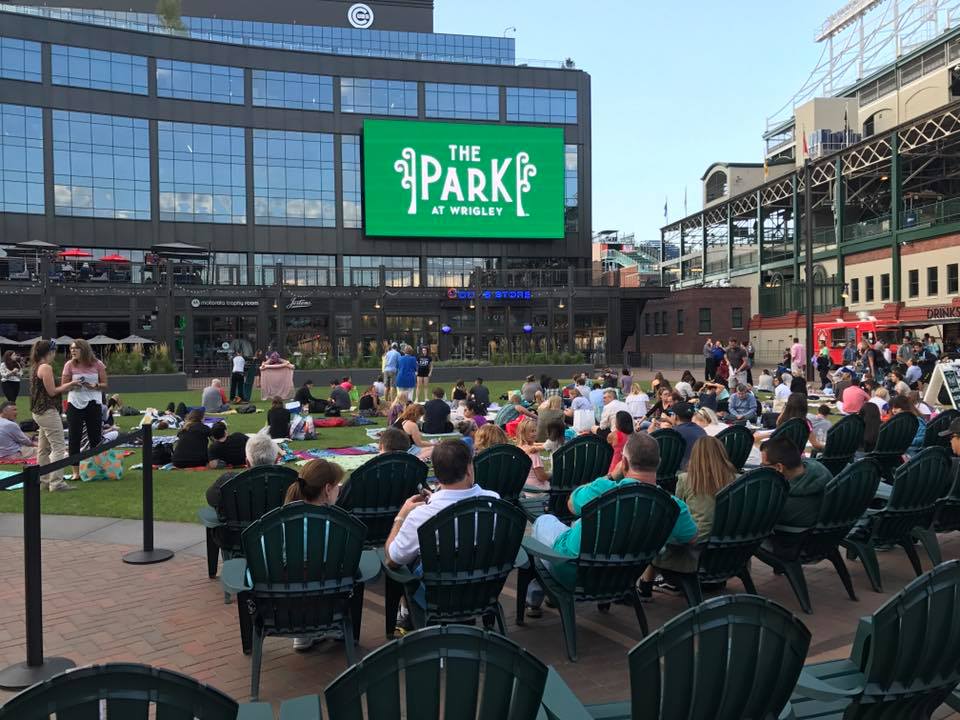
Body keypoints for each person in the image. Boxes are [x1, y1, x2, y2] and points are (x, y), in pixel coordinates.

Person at [524, 433, 698, 614]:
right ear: (658, 462)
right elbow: (692, 538)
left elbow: (571, 505)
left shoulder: (603, 490)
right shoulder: (673, 506)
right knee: (581, 525)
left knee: (544, 521)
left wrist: (610, 476)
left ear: (624, 463)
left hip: (573, 572)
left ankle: (538, 598)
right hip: (625, 577)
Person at [385, 440, 498, 576]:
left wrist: (401, 516)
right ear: (469, 469)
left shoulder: (421, 515)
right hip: (483, 583)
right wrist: (435, 499)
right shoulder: (494, 501)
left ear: (437, 474)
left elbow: (393, 559)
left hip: (436, 592)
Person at [649, 436, 736, 586]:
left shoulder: (685, 479)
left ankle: (645, 584)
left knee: (654, 534)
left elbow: (677, 517)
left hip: (692, 548)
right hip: (723, 550)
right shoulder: (734, 480)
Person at [282, 458, 345, 650]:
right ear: (327, 489)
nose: (339, 490)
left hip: (282, 607)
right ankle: (330, 626)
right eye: (337, 486)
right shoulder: (337, 525)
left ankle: (303, 634)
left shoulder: (277, 525)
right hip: (326, 603)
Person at [29, 340, 74, 491]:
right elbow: (52, 392)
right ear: (50, 352)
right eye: (54, 352)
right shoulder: (46, 367)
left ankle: (44, 481)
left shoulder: (35, 366)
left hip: (38, 412)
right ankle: (56, 483)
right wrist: (70, 385)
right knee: (58, 447)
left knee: (43, 448)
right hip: (47, 411)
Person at [760, 436, 832, 528]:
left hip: (787, 538)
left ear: (779, 467)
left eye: (763, 465)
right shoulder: (821, 471)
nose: (761, 469)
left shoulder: (783, 503)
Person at [62, 338, 108, 479]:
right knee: (74, 438)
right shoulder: (69, 365)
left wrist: (94, 386)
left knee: (95, 437)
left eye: (76, 348)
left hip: (93, 403)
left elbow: (105, 384)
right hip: (75, 403)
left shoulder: (98, 364)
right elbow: (64, 386)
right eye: (71, 349)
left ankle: (97, 468)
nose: (73, 351)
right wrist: (73, 384)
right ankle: (76, 473)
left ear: (84, 349)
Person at [205, 430, 280, 507]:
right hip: (275, 518)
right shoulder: (287, 480)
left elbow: (211, 499)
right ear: (276, 460)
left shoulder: (229, 481)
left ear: (247, 463)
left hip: (240, 517)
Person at [662, 402, 706, 469]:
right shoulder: (700, 430)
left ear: (675, 416)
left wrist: (651, 433)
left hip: (683, 471)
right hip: (700, 468)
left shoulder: (674, 433)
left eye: (671, 414)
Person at [516, 417, 549, 491]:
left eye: (535, 430)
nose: (535, 433)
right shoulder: (533, 452)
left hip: (522, 488)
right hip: (536, 490)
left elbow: (536, 444)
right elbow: (541, 477)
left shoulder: (518, 448)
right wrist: (551, 473)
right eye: (531, 431)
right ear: (524, 433)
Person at [607, 410, 634, 478]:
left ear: (618, 423)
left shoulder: (614, 435)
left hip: (615, 470)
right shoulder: (634, 436)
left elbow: (608, 441)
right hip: (631, 470)